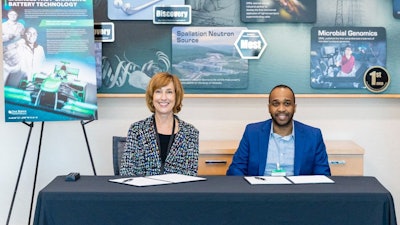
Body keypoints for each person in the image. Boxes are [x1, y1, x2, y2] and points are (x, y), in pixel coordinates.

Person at [227, 84, 331, 176]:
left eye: (287, 103)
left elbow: (323, 175)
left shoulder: (313, 136)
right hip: (260, 193)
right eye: (275, 104)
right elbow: (236, 170)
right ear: (269, 108)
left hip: (298, 194)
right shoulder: (252, 132)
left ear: (294, 107)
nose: (281, 109)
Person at [120, 72, 199, 176]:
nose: (163, 97)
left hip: (177, 190)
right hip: (143, 191)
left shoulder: (190, 132)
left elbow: (190, 174)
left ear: (176, 97)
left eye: (169, 92)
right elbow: (126, 171)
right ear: (152, 97)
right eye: (158, 92)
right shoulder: (137, 130)